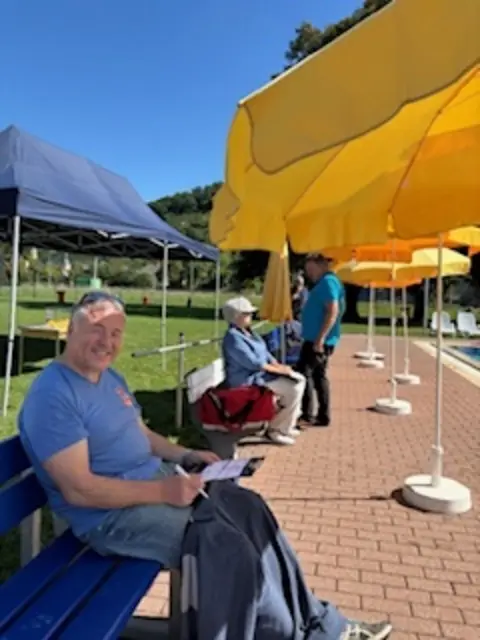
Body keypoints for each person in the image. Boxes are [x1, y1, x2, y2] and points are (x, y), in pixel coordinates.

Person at [18, 291, 392, 640]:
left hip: (153, 484)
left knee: (249, 509)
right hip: (110, 519)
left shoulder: (108, 377)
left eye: (116, 333)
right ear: (71, 328)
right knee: (230, 548)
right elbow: (80, 490)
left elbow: (142, 434)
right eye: (96, 329)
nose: (107, 341)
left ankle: (322, 625)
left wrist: (185, 456)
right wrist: (164, 491)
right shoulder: (54, 395)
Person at [222, 296, 306, 446]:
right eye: (246, 313)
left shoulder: (249, 332)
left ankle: (287, 424)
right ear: (236, 316)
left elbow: (265, 352)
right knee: (293, 388)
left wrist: (279, 366)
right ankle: (275, 430)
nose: (250, 316)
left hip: (262, 376)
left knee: (300, 380)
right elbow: (253, 363)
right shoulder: (233, 337)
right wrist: (280, 371)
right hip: (248, 380)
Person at [297, 254, 345, 427]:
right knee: (318, 376)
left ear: (322, 265)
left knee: (305, 373)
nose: (309, 273)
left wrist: (320, 338)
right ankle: (322, 415)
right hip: (316, 338)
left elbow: (332, 311)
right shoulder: (325, 282)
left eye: (311, 269)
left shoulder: (328, 282)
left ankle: (307, 413)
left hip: (317, 339)